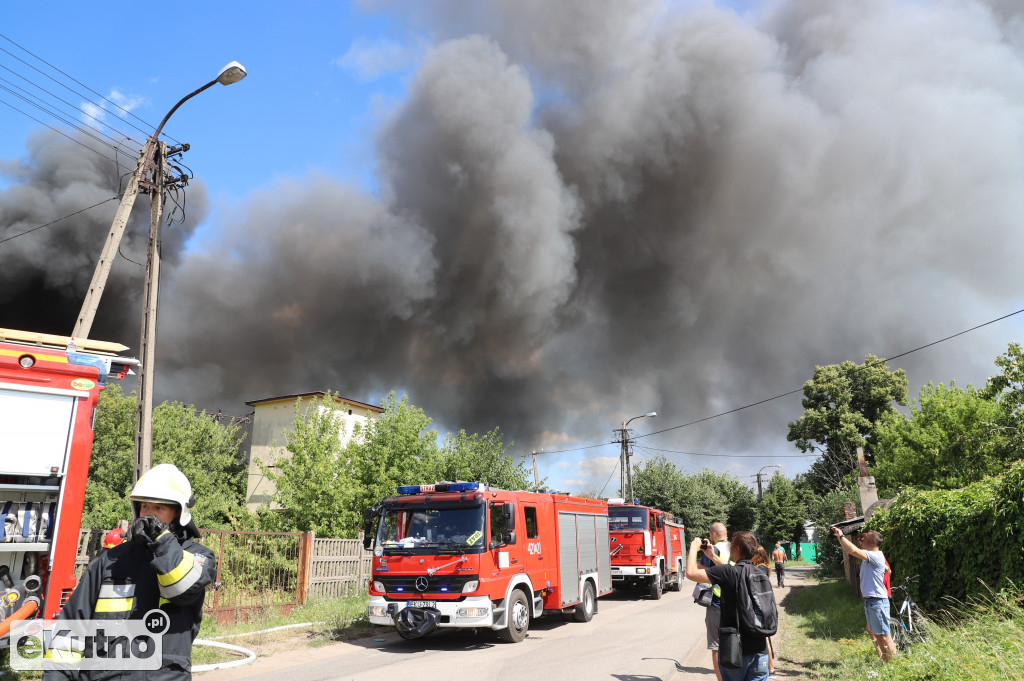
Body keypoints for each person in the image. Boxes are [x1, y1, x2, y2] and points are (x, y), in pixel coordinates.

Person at [42, 464, 217, 680]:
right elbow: (71, 628)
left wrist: (162, 542)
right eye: (145, 507)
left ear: (178, 513)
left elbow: (180, 588)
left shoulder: (198, 558)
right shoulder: (109, 561)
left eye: (159, 509)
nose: (148, 516)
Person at [687, 531, 771, 681]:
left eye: (732, 546)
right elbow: (732, 571)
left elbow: (691, 573)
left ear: (737, 548)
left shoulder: (728, 573)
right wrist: (712, 556)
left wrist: (694, 548)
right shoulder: (761, 572)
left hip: (735, 652)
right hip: (760, 651)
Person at [831, 526, 897, 662]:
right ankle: (886, 662)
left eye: (864, 540)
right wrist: (840, 537)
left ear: (872, 542)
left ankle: (895, 664)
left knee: (885, 636)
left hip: (878, 601)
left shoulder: (875, 555)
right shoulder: (870, 557)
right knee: (877, 635)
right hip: (870, 602)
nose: (861, 542)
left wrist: (841, 535)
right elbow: (850, 550)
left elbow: (853, 550)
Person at [696, 522, 733, 681]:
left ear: (712, 534)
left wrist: (697, 550)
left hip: (718, 602)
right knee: (733, 640)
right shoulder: (735, 547)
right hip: (735, 601)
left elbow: (698, 570)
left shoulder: (714, 550)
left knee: (716, 646)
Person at [751, 548, 776, 678]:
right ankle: (770, 668)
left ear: (758, 555)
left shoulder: (760, 569)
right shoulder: (763, 567)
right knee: (765, 638)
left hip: (762, 608)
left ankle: (771, 669)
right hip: (764, 607)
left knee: (764, 638)